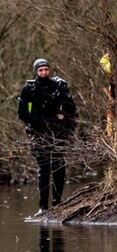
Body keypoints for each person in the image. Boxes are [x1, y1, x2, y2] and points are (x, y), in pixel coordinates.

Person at [17, 59, 76, 217]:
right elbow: (22, 113)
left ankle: (57, 201)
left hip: (58, 132)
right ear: (36, 71)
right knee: (43, 169)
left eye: (45, 70)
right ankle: (43, 206)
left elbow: (71, 108)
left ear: (49, 70)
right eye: (40, 70)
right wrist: (39, 121)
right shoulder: (29, 89)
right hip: (39, 133)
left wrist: (62, 116)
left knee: (58, 166)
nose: (43, 73)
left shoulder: (59, 86)